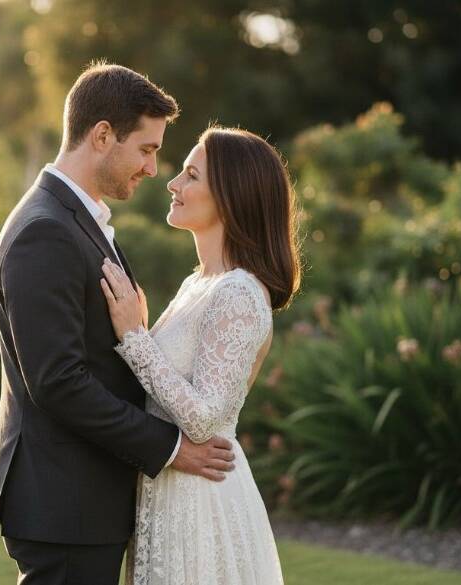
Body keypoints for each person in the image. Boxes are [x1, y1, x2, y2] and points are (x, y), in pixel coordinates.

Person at [0, 62, 237, 585]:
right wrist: (172, 450)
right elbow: (58, 381)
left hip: (83, 501)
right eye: (145, 149)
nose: (152, 168)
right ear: (102, 135)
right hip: (65, 505)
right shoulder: (45, 232)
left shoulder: (79, 220)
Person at [100, 125, 301, 584]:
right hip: (169, 490)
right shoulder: (199, 284)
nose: (173, 183)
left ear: (232, 196)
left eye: (191, 175)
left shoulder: (239, 293)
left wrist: (135, 337)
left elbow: (205, 420)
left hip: (200, 500)